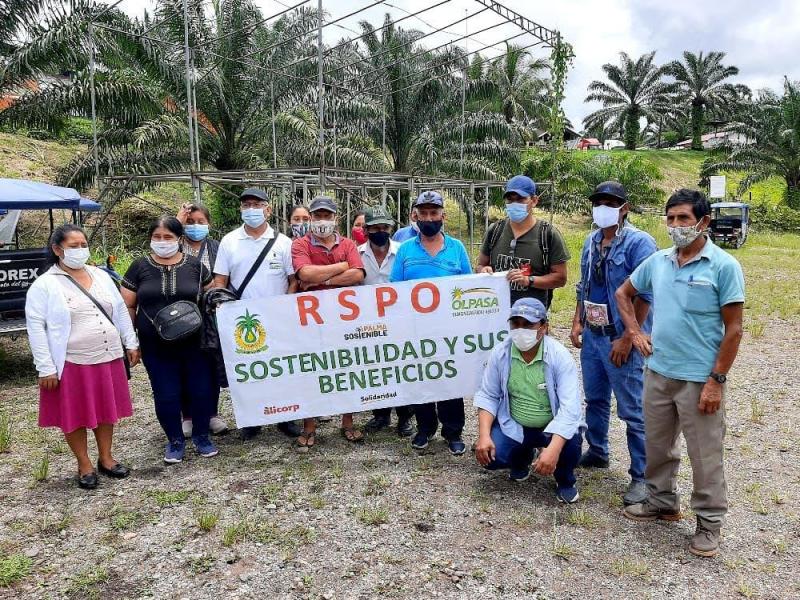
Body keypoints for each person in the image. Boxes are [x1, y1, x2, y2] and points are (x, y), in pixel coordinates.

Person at [616, 189, 745, 558]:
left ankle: (708, 523)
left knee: (705, 454)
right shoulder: (657, 262)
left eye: (684, 218)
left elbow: (734, 329)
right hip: (658, 372)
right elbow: (624, 293)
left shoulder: (723, 266)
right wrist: (635, 332)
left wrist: (716, 381)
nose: (675, 226)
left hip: (699, 378)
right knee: (657, 446)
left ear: (703, 222)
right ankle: (662, 502)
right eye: (670, 218)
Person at [26, 224, 140, 489]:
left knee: (104, 410)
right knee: (75, 413)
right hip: (72, 361)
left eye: (83, 245)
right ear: (57, 250)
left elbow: (120, 311)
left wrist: (130, 342)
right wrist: (46, 367)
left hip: (108, 355)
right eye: (73, 246)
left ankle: (107, 458)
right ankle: (84, 464)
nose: (80, 250)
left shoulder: (100, 276)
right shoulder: (45, 285)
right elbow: (36, 327)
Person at [570, 181, 658, 506]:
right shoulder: (591, 241)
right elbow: (584, 285)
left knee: (633, 410)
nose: (602, 208)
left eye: (610, 203)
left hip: (622, 340)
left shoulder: (640, 243)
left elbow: (645, 293)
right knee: (594, 399)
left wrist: (627, 336)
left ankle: (642, 477)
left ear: (624, 207)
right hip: (594, 336)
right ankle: (598, 450)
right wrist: (577, 321)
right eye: (598, 202)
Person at [121, 216, 218, 464]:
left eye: (168, 237)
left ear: (179, 240)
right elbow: (128, 307)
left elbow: (211, 299)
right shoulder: (139, 267)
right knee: (166, 393)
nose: (162, 242)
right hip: (156, 345)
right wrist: (130, 341)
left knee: (201, 390)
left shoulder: (195, 267)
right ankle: (175, 440)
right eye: (157, 237)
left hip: (195, 343)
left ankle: (202, 437)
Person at [474, 298, 584, 503]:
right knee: (490, 457)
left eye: (528, 324)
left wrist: (553, 449)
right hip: (516, 423)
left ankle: (565, 480)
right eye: (515, 323)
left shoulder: (559, 356)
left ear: (543, 326)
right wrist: (483, 435)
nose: (520, 330)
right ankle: (522, 458)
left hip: (552, 427)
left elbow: (570, 410)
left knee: (570, 443)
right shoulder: (501, 353)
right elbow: (488, 394)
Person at [213, 188, 300, 440]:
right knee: (248, 369)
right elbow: (221, 281)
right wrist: (223, 309)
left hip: (277, 317)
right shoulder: (229, 241)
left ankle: (285, 416)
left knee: (280, 366)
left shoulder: (283, 243)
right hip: (241, 319)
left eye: (256, 204)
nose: (251, 209)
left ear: (268, 209)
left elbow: (293, 280)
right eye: (246, 205)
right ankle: (252, 419)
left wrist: (285, 307)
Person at [390, 191, 472, 455]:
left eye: (433, 213)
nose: (428, 218)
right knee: (421, 378)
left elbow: (469, 287)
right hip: (416, 329)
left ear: (442, 216)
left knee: (450, 377)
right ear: (415, 216)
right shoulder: (405, 250)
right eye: (423, 213)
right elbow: (394, 290)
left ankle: (453, 431)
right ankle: (425, 428)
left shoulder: (457, 249)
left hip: (449, 330)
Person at [291, 196, 366, 450]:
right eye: (318, 216)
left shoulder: (347, 244)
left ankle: (347, 421)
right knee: (310, 369)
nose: (322, 221)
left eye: (327, 216)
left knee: (346, 367)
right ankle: (309, 425)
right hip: (310, 319)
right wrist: (342, 266)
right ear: (311, 218)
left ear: (336, 219)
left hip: (343, 318)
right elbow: (305, 274)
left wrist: (323, 281)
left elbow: (358, 274)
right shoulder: (300, 244)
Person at [357, 206, 414, 437]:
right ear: (366, 229)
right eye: (375, 228)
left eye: (385, 227)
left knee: (402, 368)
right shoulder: (356, 254)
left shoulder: (403, 251)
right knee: (376, 368)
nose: (381, 231)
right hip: (368, 322)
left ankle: (405, 417)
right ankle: (380, 415)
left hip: (399, 320)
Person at [477, 175, 570, 308]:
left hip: (531, 317)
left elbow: (560, 278)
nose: (515, 204)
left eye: (521, 199)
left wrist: (529, 280)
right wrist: (483, 271)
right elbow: (480, 265)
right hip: (495, 313)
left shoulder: (547, 234)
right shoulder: (495, 230)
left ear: (534, 200)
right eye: (510, 199)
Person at [176, 203, 228, 437]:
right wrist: (177, 223)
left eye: (200, 222)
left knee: (211, 362)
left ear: (209, 224)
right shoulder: (174, 246)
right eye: (190, 222)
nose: (195, 226)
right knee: (185, 364)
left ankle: (211, 413)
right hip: (181, 315)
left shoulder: (217, 247)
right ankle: (186, 415)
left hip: (210, 314)